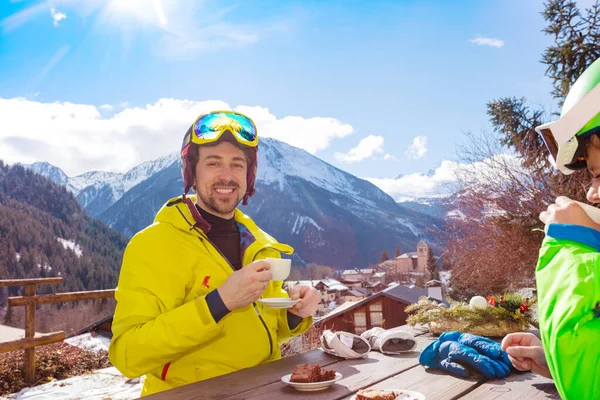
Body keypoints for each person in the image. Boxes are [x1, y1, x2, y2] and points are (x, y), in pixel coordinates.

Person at [108, 110, 319, 396]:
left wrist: (293, 314)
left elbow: (261, 326)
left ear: (249, 175)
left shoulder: (259, 243)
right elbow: (127, 355)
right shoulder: (153, 244)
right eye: (213, 163)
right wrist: (217, 303)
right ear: (191, 173)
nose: (226, 176)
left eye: (237, 164)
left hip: (262, 390)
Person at [502, 57, 600, 399]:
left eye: (599, 174)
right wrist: (554, 358)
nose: (591, 192)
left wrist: (573, 244)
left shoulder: (578, 249)